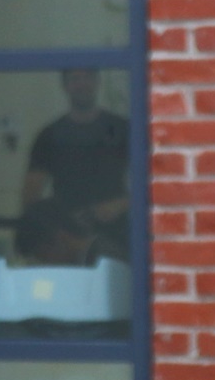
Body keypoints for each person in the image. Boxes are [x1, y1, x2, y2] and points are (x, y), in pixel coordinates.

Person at [15, 65, 130, 265]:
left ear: (97, 82)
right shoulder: (50, 135)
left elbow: (155, 178)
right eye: (75, 79)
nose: (82, 84)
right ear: (65, 86)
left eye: (88, 77)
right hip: (67, 243)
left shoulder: (121, 129)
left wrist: (121, 204)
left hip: (118, 234)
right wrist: (46, 235)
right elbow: (31, 194)